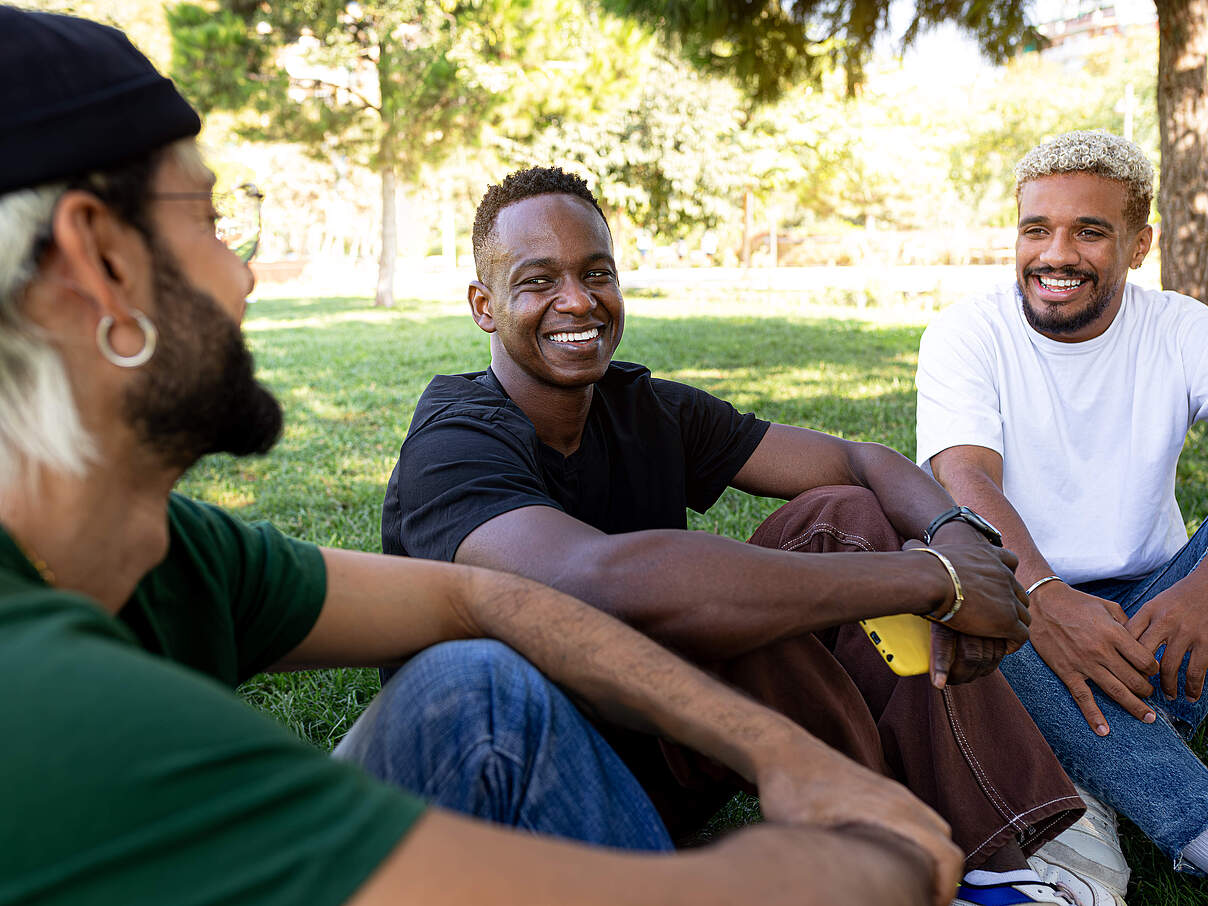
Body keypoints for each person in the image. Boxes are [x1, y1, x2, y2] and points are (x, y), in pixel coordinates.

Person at [0, 8, 975, 905]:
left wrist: (778, 750)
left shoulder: (178, 555)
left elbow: (484, 602)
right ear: (105, 262)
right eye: (213, 223)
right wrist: (855, 860)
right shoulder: (42, 701)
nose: (244, 270)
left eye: (595, 274)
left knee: (472, 681)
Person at [381, 165, 1091, 906]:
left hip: (666, 740)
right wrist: (935, 581)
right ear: (483, 305)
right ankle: (884, 842)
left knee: (845, 517)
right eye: (537, 281)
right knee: (727, 604)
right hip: (541, 791)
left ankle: (991, 869)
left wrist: (960, 539)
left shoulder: (643, 407)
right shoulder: (455, 439)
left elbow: (859, 461)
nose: (576, 301)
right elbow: (599, 579)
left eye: (597, 272)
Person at [916, 129, 1208, 902]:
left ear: (1140, 244)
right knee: (967, 605)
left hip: (1162, 616)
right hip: (1019, 597)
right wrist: (1044, 601)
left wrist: (1204, 585)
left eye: (1089, 231)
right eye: (1036, 229)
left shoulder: (1183, 329)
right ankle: (1185, 815)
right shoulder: (966, 331)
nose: (1056, 254)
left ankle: (1071, 795)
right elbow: (963, 475)